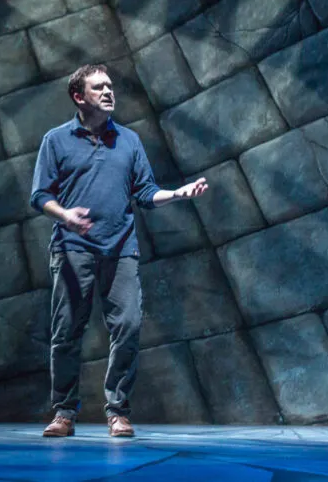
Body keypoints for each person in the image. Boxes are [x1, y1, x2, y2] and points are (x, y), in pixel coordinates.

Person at [30, 64, 209, 438]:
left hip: (120, 247)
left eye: (110, 86)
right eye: (99, 87)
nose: (109, 92)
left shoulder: (128, 141)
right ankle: (64, 413)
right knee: (66, 332)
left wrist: (177, 193)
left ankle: (118, 412)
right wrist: (65, 215)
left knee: (128, 326)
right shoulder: (56, 140)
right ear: (79, 97)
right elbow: (40, 195)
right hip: (72, 249)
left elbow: (145, 192)